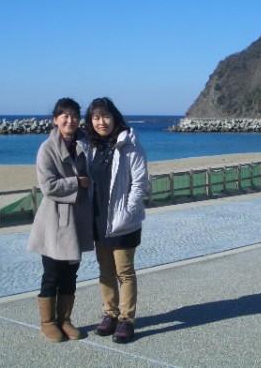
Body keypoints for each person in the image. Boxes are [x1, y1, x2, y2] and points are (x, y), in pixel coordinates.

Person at [81, 97, 149, 344]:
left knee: (125, 272)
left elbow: (140, 183)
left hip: (123, 222)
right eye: (96, 117)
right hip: (99, 219)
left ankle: (126, 320)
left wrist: (127, 213)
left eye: (106, 116)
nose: (102, 122)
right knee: (105, 271)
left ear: (115, 117)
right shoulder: (92, 146)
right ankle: (110, 314)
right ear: (91, 121)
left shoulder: (129, 145)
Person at [27, 98, 94, 342]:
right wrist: (77, 182)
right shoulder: (47, 148)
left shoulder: (86, 144)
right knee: (52, 274)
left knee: (71, 274)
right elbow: (48, 186)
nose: (70, 120)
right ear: (55, 120)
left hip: (78, 218)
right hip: (54, 220)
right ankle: (47, 322)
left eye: (74, 116)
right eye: (65, 116)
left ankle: (65, 320)